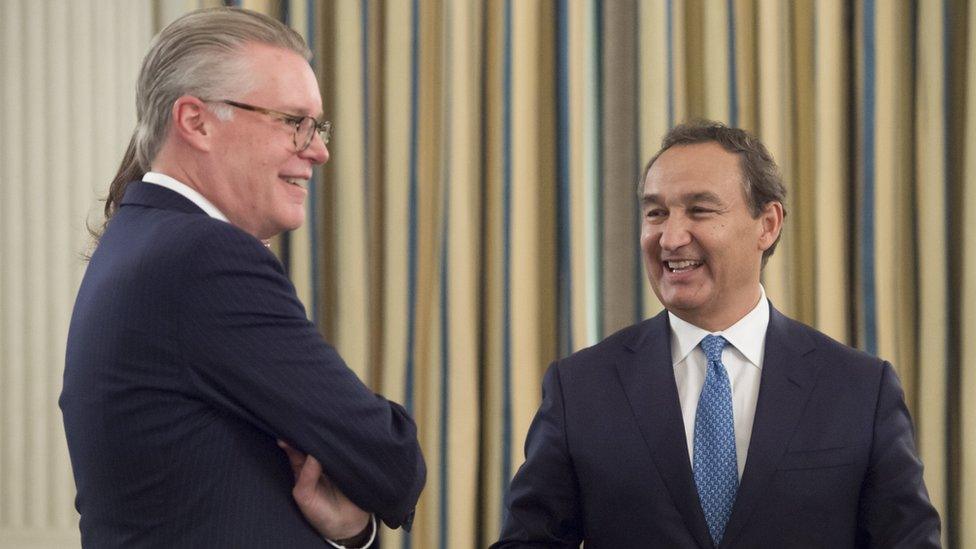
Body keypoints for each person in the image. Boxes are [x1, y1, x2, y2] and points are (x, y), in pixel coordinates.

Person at [60, 8, 424, 547]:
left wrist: (351, 531)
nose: (318, 150)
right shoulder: (203, 257)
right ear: (196, 121)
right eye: (292, 122)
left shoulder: (143, 241)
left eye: (317, 126)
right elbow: (391, 460)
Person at [493, 121, 940, 548]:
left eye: (700, 211)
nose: (670, 237)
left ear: (767, 225)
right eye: (656, 213)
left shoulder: (860, 388)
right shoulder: (581, 387)